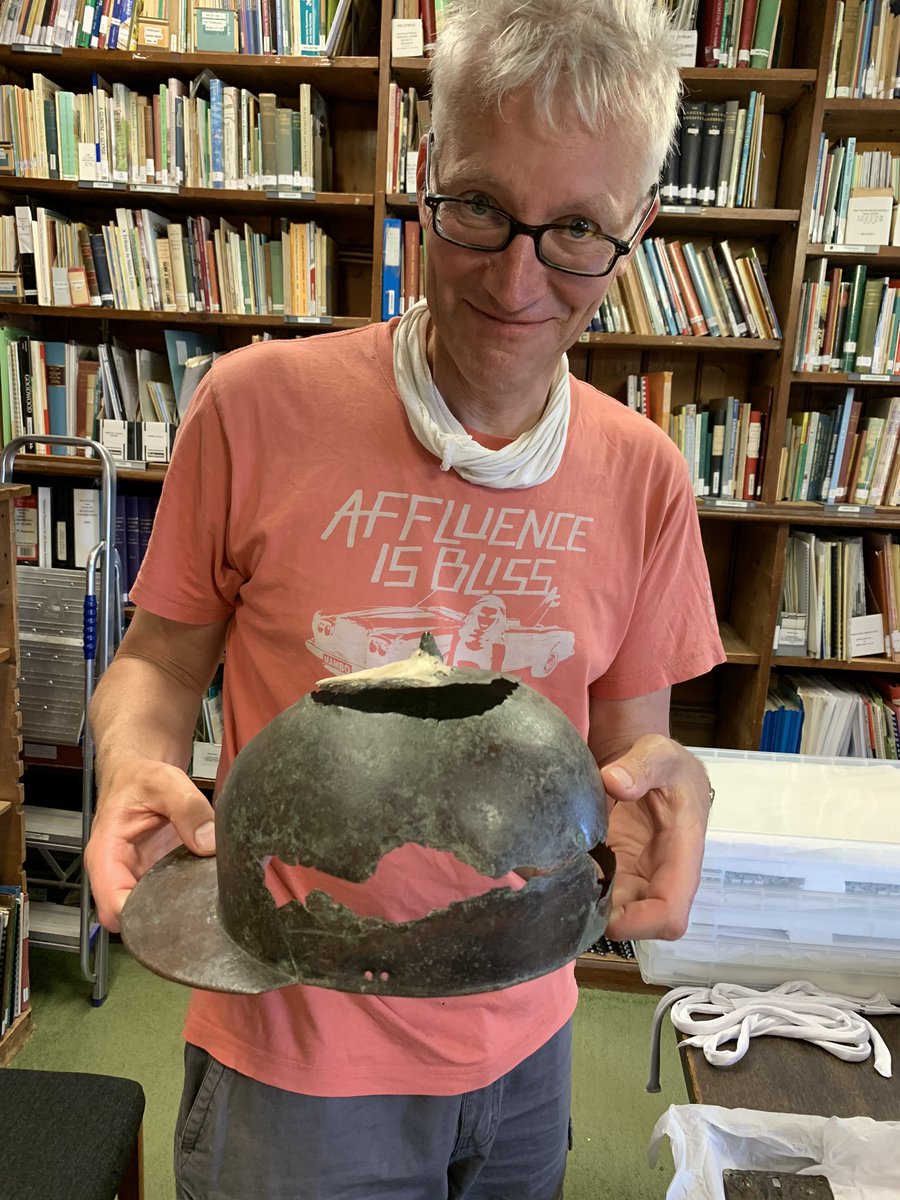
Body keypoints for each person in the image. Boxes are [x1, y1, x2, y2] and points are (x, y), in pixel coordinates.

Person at [85, 1, 726, 1196]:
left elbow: (630, 746)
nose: (517, 275)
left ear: (637, 226)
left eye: (576, 228)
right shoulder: (252, 408)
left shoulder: (643, 475)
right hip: (291, 1040)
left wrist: (670, 784)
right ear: (428, 174)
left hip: (527, 1033)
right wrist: (131, 757)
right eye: (481, 206)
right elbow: (160, 665)